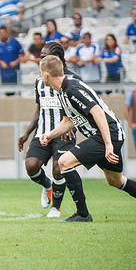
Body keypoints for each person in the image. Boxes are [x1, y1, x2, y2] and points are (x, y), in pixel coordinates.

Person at [38, 55, 136, 222]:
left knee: (63, 162)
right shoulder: (62, 92)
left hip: (106, 136)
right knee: (116, 181)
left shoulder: (72, 88)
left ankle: (83, 214)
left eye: (41, 72)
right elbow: (69, 121)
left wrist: (108, 144)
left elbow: (98, 112)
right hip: (105, 137)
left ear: (46, 75)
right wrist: (49, 135)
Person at [18, 41, 83, 218]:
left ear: (57, 58)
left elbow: (81, 107)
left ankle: (56, 208)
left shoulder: (73, 80)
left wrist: (73, 125)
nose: (40, 60)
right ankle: (47, 185)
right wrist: (27, 133)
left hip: (64, 133)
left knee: (58, 168)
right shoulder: (40, 81)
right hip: (43, 131)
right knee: (31, 166)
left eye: (44, 57)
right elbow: (39, 109)